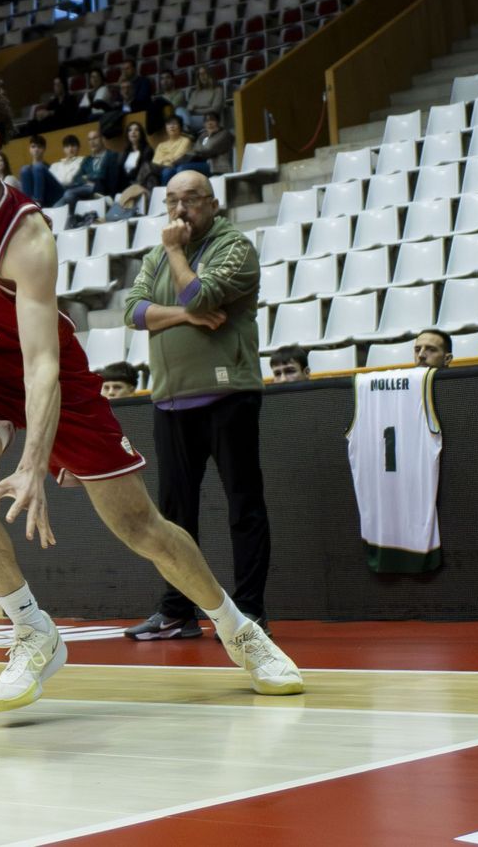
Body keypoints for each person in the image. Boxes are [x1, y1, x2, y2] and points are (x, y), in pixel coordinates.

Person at [0, 68, 301, 711]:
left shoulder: (25, 236)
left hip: (45, 373)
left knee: (139, 525)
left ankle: (238, 628)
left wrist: (34, 463)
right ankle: (33, 632)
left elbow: (41, 366)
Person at [123, 169, 276, 643]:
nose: (178, 210)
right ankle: (176, 612)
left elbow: (202, 293)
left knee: (242, 505)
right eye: (171, 201)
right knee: (173, 517)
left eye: (190, 199)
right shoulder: (154, 255)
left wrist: (174, 255)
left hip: (228, 394)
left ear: (212, 204)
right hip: (170, 399)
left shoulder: (235, 248)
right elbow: (133, 311)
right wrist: (186, 316)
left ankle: (248, 611)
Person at [58, 128, 124, 219]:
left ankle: (67, 218)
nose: (92, 142)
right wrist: (92, 179)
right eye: (89, 139)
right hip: (86, 192)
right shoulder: (87, 160)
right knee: (67, 195)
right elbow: (76, 179)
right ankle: (64, 217)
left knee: (68, 194)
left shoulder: (112, 156)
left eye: (95, 138)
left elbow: (112, 179)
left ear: (102, 139)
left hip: (103, 190)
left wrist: (89, 178)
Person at [107, 121, 160, 221]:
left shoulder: (147, 150)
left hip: (141, 183)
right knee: (114, 168)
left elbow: (145, 171)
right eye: (130, 130)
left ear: (141, 134)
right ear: (127, 134)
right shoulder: (125, 153)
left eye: (136, 130)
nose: (133, 132)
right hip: (127, 184)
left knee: (147, 166)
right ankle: (110, 197)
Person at [18, 133, 85, 207]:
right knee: (24, 169)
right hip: (48, 194)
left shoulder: (82, 161)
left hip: (64, 191)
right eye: (67, 146)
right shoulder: (56, 165)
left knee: (38, 167)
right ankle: (28, 205)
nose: (70, 149)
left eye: (73, 146)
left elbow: (69, 180)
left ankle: (37, 202)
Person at [154, 116, 197, 184]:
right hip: (161, 168)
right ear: (165, 127)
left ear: (180, 127)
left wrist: (163, 160)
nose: (172, 126)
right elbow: (155, 161)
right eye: (169, 124)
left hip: (176, 167)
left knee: (167, 172)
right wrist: (167, 161)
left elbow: (177, 158)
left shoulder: (185, 140)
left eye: (175, 124)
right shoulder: (161, 145)